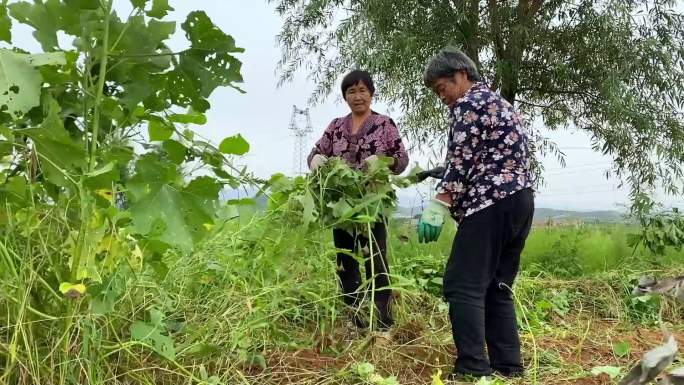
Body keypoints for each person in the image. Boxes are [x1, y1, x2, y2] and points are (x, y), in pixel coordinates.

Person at [418, 48, 535, 380]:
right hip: (519, 202)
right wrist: (443, 170)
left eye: (442, 88)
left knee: (462, 285)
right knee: (497, 287)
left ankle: (472, 367)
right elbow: (491, 153)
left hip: (490, 204)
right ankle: (508, 367)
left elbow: (463, 158)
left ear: (461, 75)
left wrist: (440, 202)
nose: (443, 98)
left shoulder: (468, 103)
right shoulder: (500, 104)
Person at [307, 70, 409, 330]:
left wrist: (384, 162)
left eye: (362, 90)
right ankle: (356, 320)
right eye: (351, 91)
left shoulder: (384, 124)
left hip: (372, 204)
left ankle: (383, 322)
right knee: (346, 261)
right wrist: (315, 160)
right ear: (345, 97)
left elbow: (402, 160)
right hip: (340, 206)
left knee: (375, 258)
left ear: (371, 94)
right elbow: (316, 152)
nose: (357, 96)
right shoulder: (335, 126)